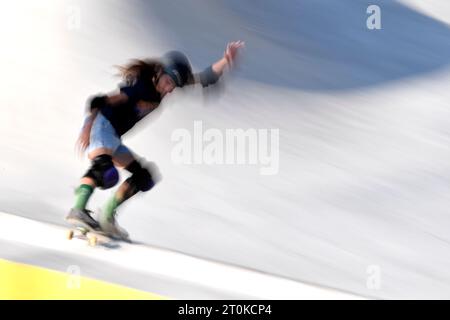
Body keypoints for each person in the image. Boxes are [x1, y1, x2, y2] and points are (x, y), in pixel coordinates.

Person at [66, 41, 245, 239]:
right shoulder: (140, 86)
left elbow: (204, 78)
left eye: (173, 87)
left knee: (144, 177)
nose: (169, 90)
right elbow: (99, 101)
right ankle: (78, 209)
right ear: (159, 73)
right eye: (168, 83)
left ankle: (107, 215)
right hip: (100, 125)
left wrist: (226, 60)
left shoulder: (169, 81)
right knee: (106, 172)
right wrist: (86, 129)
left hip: (113, 136)